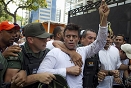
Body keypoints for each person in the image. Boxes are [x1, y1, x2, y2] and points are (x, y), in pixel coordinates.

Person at [37, 0, 109, 88]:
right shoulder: (55, 52)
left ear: (79, 39)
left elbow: (100, 43)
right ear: (64, 37)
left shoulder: (83, 51)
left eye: (74, 36)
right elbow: (41, 72)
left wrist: (103, 18)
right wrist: (66, 70)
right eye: (68, 36)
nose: (71, 39)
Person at [4, 23, 56, 88]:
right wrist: (37, 77)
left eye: (46, 37)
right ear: (30, 40)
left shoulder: (48, 52)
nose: (46, 40)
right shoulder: (17, 53)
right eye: (41, 38)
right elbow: (9, 83)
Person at [0, 21, 26, 87]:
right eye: (10, 32)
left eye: (15, 32)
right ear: (0, 33)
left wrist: (23, 72)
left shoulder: (15, 48)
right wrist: (3, 56)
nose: (14, 35)